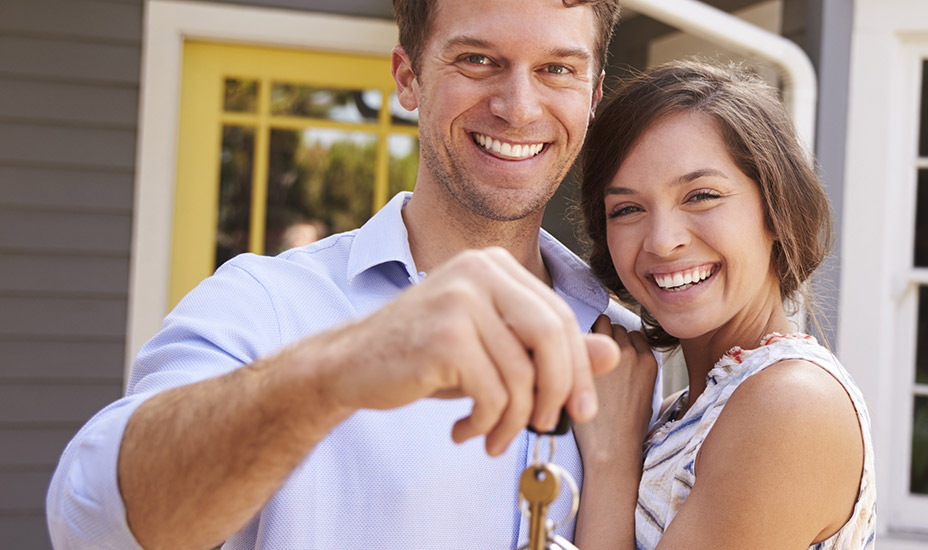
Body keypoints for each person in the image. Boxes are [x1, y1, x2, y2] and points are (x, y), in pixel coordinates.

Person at [45, 0, 655, 548]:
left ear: (594, 93)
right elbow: (90, 524)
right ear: (408, 77)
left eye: (557, 69)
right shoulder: (267, 305)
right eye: (477, 59)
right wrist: (340, 368)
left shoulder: (634, 348)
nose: (518, 107)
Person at [571, 61, 877, 549]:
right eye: (627, 208)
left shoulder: (790, 405)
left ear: (775, 209)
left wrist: (610, 457)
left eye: (701, 195)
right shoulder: (684, 411)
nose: (663, 241)